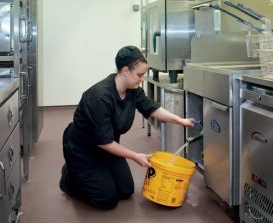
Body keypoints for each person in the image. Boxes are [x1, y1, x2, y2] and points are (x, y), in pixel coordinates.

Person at [59, 45, 195, 209]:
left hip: (108, 147)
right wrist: (135, 156)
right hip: (83, 150)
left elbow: (151, 108)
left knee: (125, 190)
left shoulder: (132, 90)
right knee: (107, 200)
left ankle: (98, 173)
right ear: (125, 71)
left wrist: (180, 120)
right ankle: (70, 176)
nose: (142, 79)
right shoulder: (99, 97)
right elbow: (104, 141)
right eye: (140, 74)